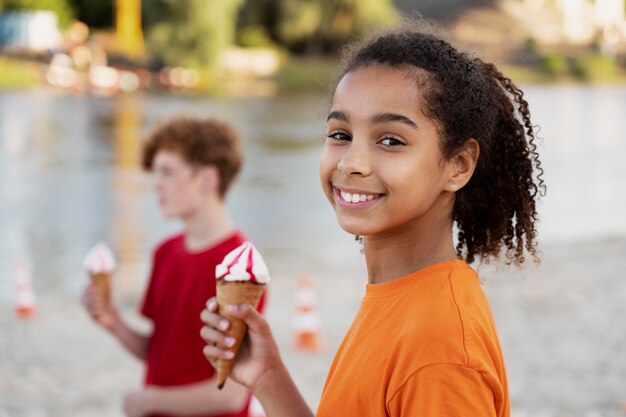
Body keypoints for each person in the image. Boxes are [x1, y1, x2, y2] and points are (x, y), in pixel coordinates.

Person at [200, 20, 545, 417]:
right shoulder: (400, 296)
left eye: (391, 140)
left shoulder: (440, 347)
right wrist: (268, 378)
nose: (351, 163)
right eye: (340, 134)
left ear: (458, 165)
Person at [82, 116, 264, 417]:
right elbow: (159, 353)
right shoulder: (164, 252)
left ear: (207, 179)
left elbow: (232, 396)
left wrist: (150, 400)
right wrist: (112, 320)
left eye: (167, 172)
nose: (156, 185)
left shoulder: (240, 267)